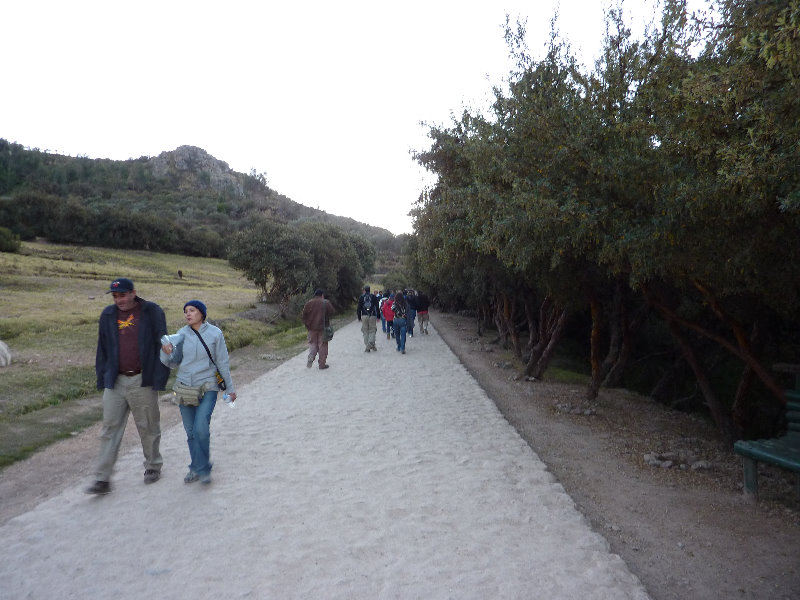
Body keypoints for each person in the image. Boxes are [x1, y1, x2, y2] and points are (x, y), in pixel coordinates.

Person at [87, 277, 170, 495]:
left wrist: (160, 377)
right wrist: (102, 376)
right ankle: (102, 478)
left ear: (133, 292)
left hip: (142, 379)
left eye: (122, 295)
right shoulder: (107, 315)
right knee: (109, 428)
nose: (119, 300)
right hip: (115, 380)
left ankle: (153, 466)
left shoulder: (152, 311)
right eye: (115, 296)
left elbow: (163, 343)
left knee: (148, 426)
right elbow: (102, 348)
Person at [160, 300, 236, 485]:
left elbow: (222, 362)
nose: (188, 314)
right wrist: (166, 351)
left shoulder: (215, 334)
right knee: (191, 431)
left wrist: (230, 388)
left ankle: (203, 469)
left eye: (192, 310)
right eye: (186, 311)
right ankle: (196, 468)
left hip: (208, 386)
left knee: (201, 428)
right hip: (184, 388)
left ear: (202, 313)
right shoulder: (181, 334)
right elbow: (171, 362)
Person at [302, 288, 335, 369]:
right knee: (322, 345)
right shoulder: (325, 302)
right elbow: (332, 312)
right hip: (323, 328)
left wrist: (307, 325)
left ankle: (311, 356)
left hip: (311, 328)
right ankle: (322, 364)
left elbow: (303, 315)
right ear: (322, 295)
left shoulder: (309, 303)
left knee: (313, 344)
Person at [357, 285, 380, 352]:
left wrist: (359, 317)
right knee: (372, 330)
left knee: (365, 331)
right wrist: (378, 316)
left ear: (364, 290)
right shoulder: (374, 296)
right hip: (372, 315)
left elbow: (359, 308)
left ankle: (368, 345)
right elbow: (377, 307)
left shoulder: (361, 297)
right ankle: (370, 345)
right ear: (369, 290)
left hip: (364, 315)